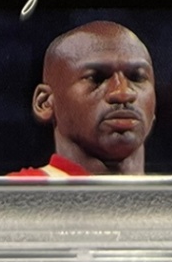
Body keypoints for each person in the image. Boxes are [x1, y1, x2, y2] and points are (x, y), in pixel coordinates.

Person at [8, 21, 156, 178]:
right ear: (44, 102)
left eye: (137, 78)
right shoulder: (14, 191)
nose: (123, 94)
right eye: (96, 78)